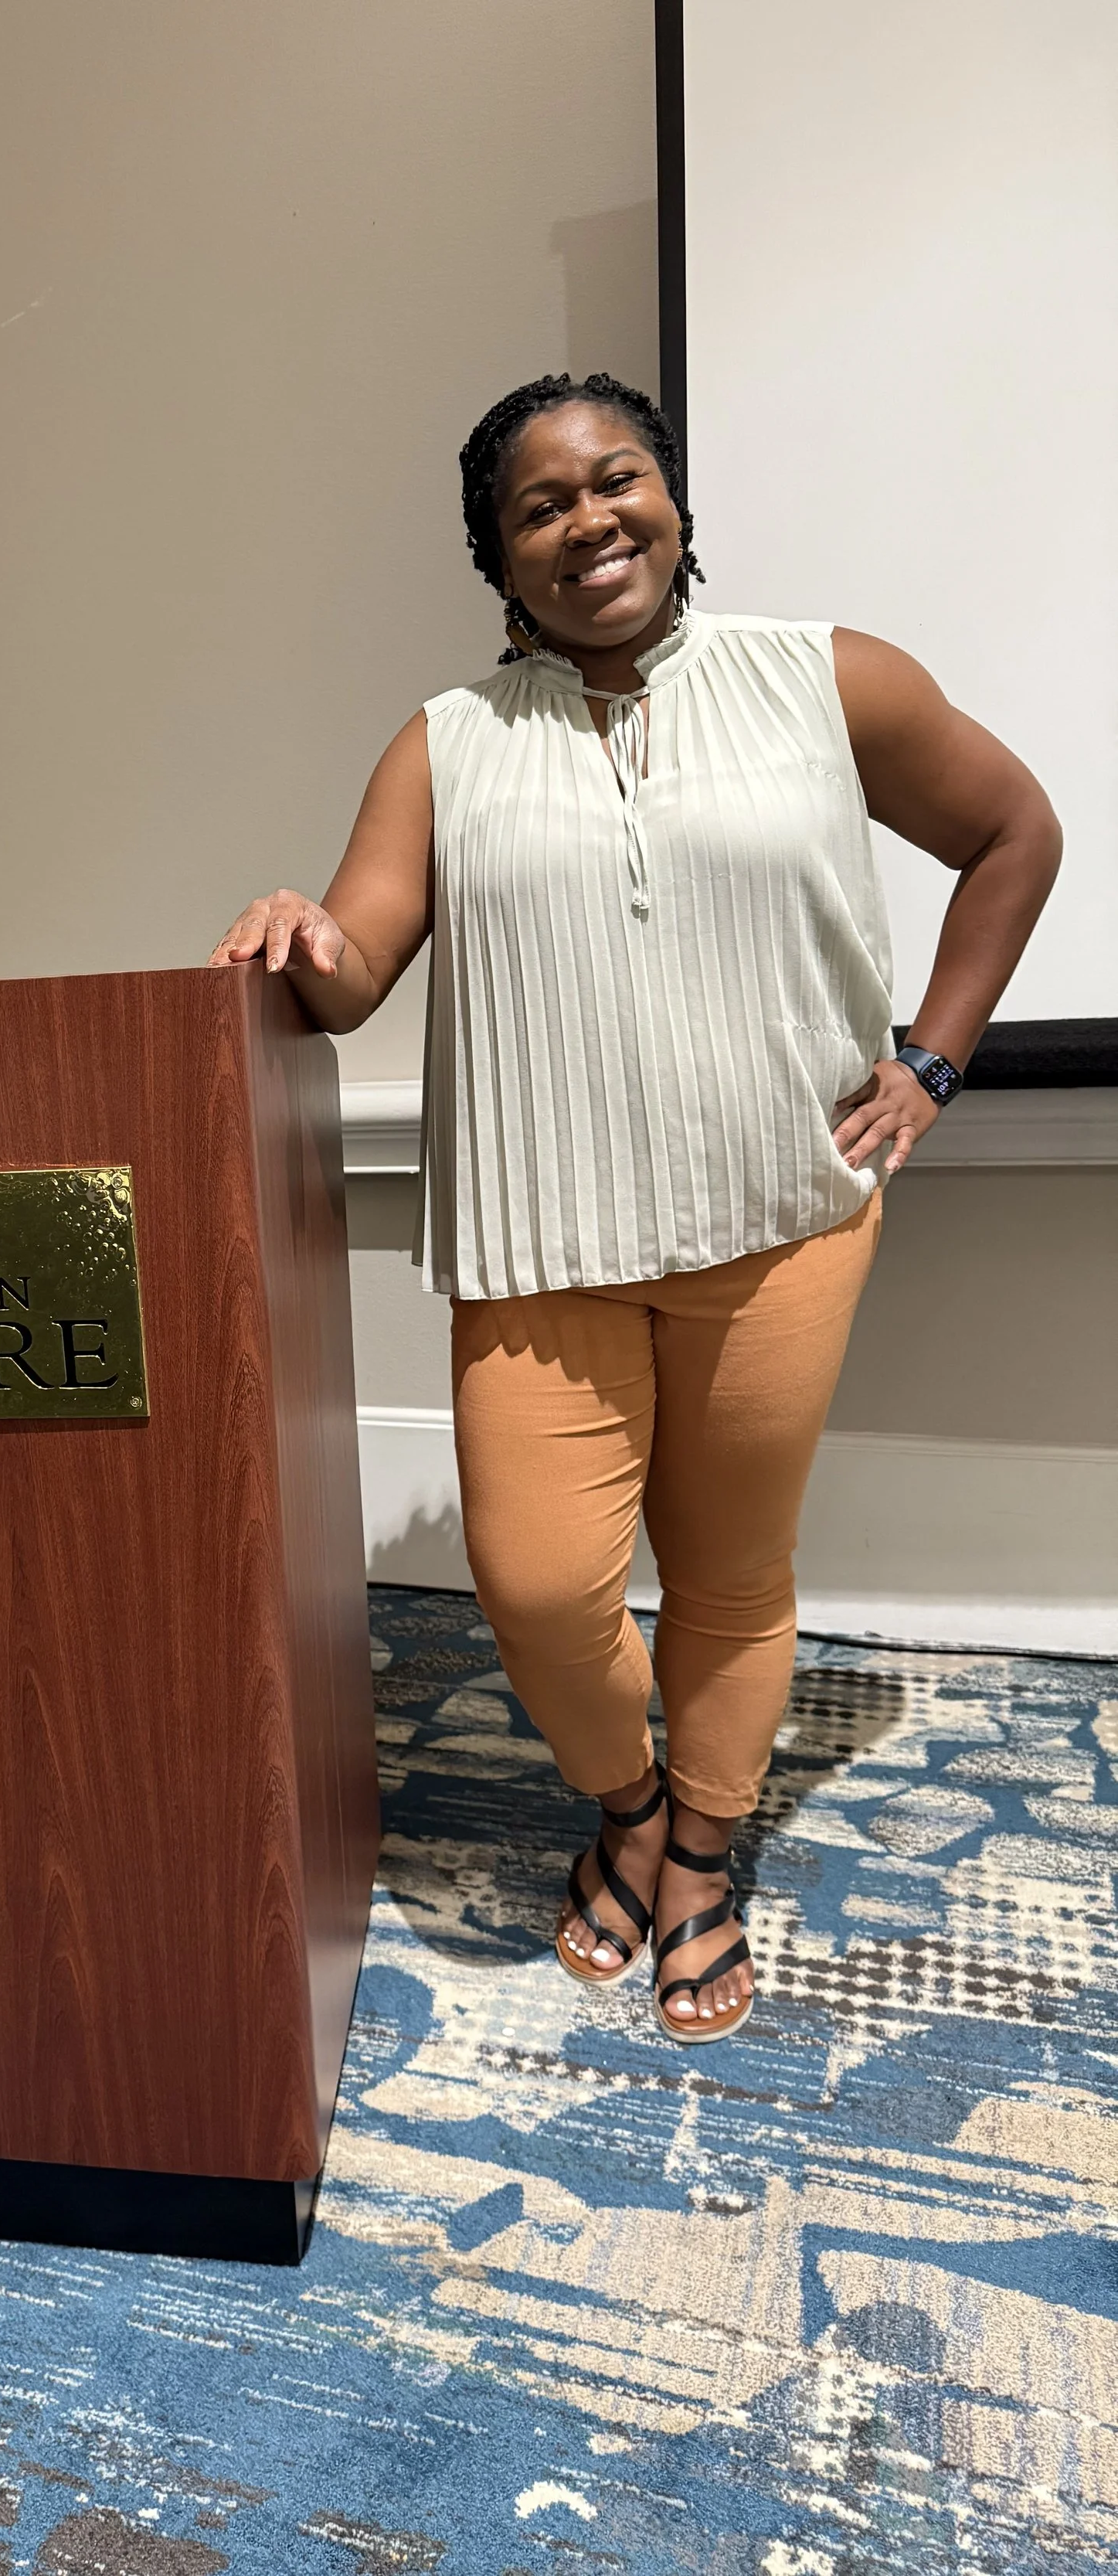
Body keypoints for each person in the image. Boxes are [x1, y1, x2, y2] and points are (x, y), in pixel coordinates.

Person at [209, 372, 1060, 2043]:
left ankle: (699, 1856)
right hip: (536, 1237)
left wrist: (930, 1063)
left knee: (732, 1574)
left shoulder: (825, 678)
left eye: (615, 482)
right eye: (538, 506)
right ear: (496, 556)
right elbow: (358, 967)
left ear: (669, 495)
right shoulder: (445, 745)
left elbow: (1011, 830)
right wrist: (302, 926)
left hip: (780, 1217)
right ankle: (623, 1804)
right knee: (535, 1585)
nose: (586, 521)